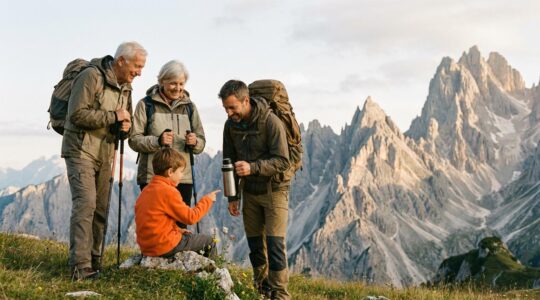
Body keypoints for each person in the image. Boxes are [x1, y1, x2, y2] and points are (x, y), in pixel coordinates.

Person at [61, 41, 147, 280]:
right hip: (80, 150)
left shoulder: (126, 87)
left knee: (101, 208)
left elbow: (122, 123)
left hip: (105, 152)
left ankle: (95, 262)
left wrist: (126, 127)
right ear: (121, 61)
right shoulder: (90, 77)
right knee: (86, 204)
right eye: (137, 66)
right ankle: (80, 266)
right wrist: (113, 116)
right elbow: (76, 113)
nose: (140, 72)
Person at [219, 80, 291, 299]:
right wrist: (233, 196)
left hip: (274, 190)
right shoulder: (230, 125)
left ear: (246, 100)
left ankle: (279, 295)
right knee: (255, 246)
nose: (230, 113)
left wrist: (253, 167)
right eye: (226, 108)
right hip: (249, 191)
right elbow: (228, 160)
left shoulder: (271, 122)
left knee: (275, 246)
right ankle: (262, 291)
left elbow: (283, 161)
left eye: (233, 107)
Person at [129, 60, 205, 228]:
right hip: (152, 177)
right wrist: (157, 141)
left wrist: (195, 142)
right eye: (173, 83)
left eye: (181, 84)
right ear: (162, 81)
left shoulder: (190, 108)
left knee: (180, 226)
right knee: (156, 224)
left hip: (182, 178)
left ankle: (179, 255)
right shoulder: (146, 105)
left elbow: (201, 142)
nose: (177, 88)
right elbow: (134, 140)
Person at [135, 147, 219, 258]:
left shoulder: (146, 190)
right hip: (164, 246)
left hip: (147, 248)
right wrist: (207, 200)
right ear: (170, 172)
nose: (182, 175)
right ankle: (212, 273)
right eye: (180, 171)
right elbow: (191, 217)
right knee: (210, 242)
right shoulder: (169, 192)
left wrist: (177, 230)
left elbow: (155, 220)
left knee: (190, 238)